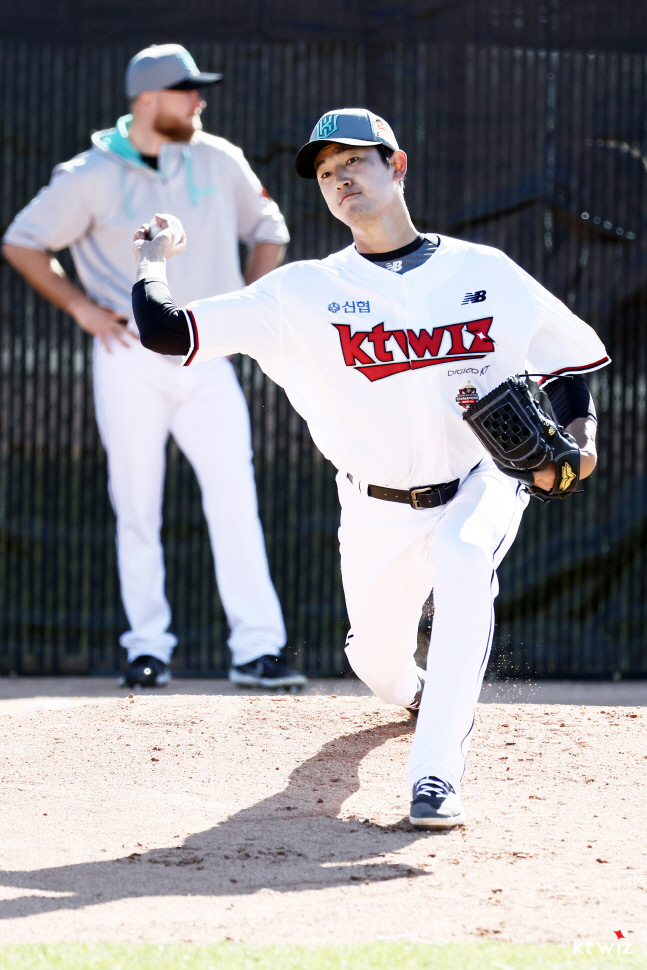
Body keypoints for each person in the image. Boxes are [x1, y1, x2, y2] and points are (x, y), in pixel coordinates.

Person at [130, 108, 609, 826]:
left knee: (463, 555)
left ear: (397, 166)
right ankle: (411, 688)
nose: (339, 178)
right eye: (325, 172)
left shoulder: (483, 271)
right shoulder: (299, 293)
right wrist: (152, 260)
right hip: (374, 506)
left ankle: (436, 775)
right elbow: (167, 332)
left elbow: (569, 362)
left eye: (353, 161)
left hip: (481, 481)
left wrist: (579, 439)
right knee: (378, 665)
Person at [2, 44, 307, 692]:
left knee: (236, 500)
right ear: (146, 99)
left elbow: (270, 229)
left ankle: (258, 650)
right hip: (127, 357)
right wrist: (82, 308)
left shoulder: (219, 157)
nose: (199, 99)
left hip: (206, 353)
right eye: (185, 89)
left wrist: (242, 311)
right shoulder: (87, 172)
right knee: (136, 506)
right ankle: (148, 648)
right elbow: (22, 242)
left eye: (199, 89)